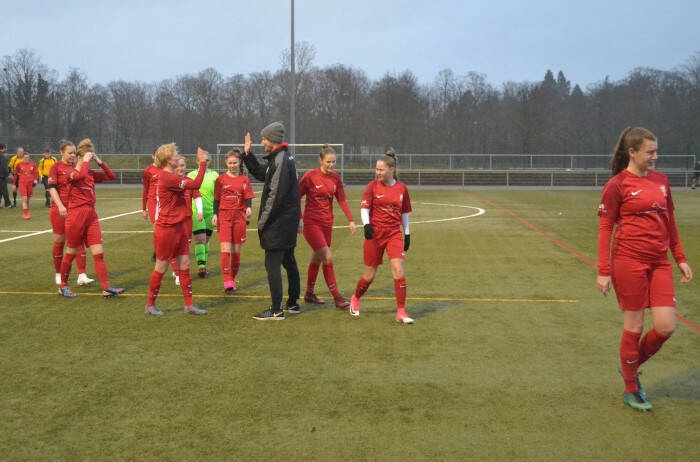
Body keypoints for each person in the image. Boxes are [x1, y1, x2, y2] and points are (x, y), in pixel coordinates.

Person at [596, 126, 693, 412]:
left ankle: (629, 364)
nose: (655, 157)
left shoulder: (662, 181)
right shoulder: (617, 185)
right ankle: (631, 388)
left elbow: (670, 222)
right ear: (633, 152)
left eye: (656, 151)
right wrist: (603, 271)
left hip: (659, 263)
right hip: (628, 261)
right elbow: (605, 228)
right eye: (650, 152)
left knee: (666, 326)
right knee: (635, 326)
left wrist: (680, 258)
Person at [242, 122, 301, 320]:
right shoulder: (281, 157)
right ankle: (292, 303)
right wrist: (248, 155)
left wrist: (262, 222)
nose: (262, 142)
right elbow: (263, 174)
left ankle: (276, 309)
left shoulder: (281, 159)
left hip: (279, 224)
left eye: (264, 138)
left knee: (272, 265)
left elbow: (275, 196)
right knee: (289, 261)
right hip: (286, 222)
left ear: (272, 139)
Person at [348, 150, 414, 324]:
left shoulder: (402, 188)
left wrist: (407, 233)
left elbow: (404, 213)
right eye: (376, 169)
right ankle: (355, 298)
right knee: (369, 275)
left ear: (391, 170)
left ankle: (401, 312)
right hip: (375, 235)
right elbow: (365, 208)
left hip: (394, 234)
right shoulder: (372, 186)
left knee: (398, 270)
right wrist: (367, 225)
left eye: (381, 169)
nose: (377, 172)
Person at [145, 145, 208, 316]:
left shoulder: (173, 176)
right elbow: (196, 184)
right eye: (175, 155)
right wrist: (203, 164)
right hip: (167, 229)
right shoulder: (167, 178)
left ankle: (189, 305)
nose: (178, 157)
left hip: (179, 227)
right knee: (161, 266)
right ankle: (150, 305)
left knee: (185, 265)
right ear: (168, 160)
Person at [58, 138, 124, 298]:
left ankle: (106, 287)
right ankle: (63, 286)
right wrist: (86, 161)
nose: (89, 160)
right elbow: (80, 175)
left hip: (91, 216)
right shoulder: (71, 173)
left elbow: (111, 176)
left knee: (99, 253)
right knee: (71, 253)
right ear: (79, 158)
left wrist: (99, 161)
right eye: (86, 157)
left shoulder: (90, 173)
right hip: (76, 216)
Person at [298, 144, 356, 308]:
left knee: (317, 257)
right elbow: (296, 197)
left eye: (334, 162)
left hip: (327, 224)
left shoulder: (335, 178)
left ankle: (309, 293)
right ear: (320, 160)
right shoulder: (310, 176)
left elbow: (342, 200)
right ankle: (337, 297)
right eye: (328, 162)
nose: (331, 165)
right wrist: (299, 218)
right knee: (327, 257)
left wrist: (351, 220)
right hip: (311, 223)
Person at [47, 139, 94, 286]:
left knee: (77, 241)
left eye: (74, 153)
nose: (73, 155)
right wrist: (60, 206)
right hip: (59, 210)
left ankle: (82, 274)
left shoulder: (77, 167)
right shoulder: (55, 167)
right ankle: (58, 273)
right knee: (60, 241)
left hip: (75, 209)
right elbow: (52, 188)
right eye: (70, 153)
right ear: (61, 153)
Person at [141, 149, 187, 285]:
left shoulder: (167, 169)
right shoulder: (148, 171)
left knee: (171, 237)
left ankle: (167, 260)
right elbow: (146, 189)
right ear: (153, 156)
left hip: (167, 202)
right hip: (154, 203)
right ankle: (176, 271)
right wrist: (144, 208)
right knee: (164, 234)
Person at [212, 149, 254, 294]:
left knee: (236, 252)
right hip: (224, 216)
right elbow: (216, 198)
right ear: (226, 163)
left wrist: (249, 207)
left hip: (239, 218)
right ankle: (227, 281)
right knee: (225, 250)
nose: (232, 165)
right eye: (230, 163)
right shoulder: (220, 180)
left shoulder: (244, 180)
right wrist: (215, 214)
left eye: (234, 163)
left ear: (239, 162)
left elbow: (248, 196)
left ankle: (232, 279)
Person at [187, 147, 218, 278]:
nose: (204, 162)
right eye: (201, 160)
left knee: (206, 240)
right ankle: (201, 267)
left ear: (209, 161)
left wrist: (217, 213)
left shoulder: (215, 175)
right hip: (195, 212)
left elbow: (218, 195)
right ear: (197, 161)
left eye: (206, 160)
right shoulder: (191, 175)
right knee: (200, 239)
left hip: (210, 212)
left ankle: (203, 264)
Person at [12, 150, 38, 220]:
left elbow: (36, 173)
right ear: (23, 158)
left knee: (28, 199)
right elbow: (16, 175)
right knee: (24, 198)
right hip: (22, 183)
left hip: (30, 184)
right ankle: (25, 214)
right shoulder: (19, 165)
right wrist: (14, 184)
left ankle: (27, 211)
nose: (27, 159)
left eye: (28, 157)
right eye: (25, 157)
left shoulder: (33, 164)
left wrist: (35, 180)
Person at [0, 144, 12, 208]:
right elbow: (4, 166)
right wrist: (8, 174)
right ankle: (7, 204)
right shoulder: (2, 156)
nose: (6, 149)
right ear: (3, 148)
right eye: (5, 148)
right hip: (1, 176)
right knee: (5, 191)